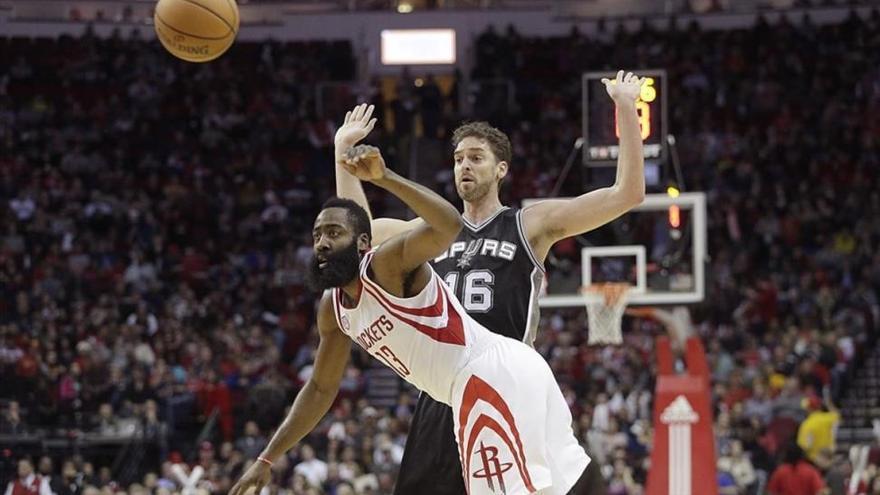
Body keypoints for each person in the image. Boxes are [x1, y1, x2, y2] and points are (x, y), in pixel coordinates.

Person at [333, 70, 646, 494]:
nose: (465, 164)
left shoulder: (528, 223)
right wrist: (342, 154)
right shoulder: (427, 231)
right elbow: (356, 236)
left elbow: (625, 194)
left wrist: (625, 106)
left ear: (501, 169)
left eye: (476, 157)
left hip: (504, 383)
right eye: (459, 158)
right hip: (443, 389)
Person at [230, 145, 591, 495]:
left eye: (334, 233)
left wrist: (385, 177)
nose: (322, 243)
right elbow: (321, 390)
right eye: (317, 235)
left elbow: (448, 224)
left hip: (488, 376)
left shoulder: (386, 266)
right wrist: (267, 457)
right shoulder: (333, 309)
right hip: (501, 374)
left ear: (362, 245)